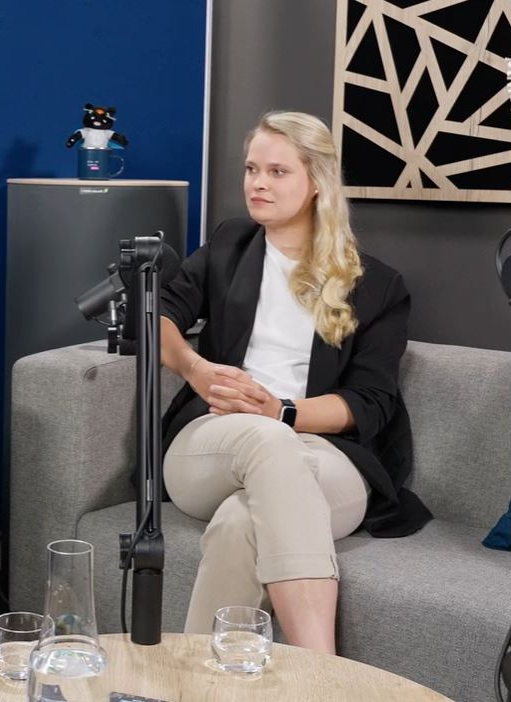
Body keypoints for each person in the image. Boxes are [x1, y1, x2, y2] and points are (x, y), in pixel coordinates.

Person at [159, 111, 431, 653]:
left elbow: (369, 403)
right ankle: (320, 670)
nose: (257, 183)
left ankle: (199, 679)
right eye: (251, 169)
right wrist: (196, 369)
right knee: (269, 442)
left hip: (325, 454)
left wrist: (281, 411)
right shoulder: (229, 247)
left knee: (242, 522)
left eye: (277, 172)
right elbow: (157, 315)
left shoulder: (377, 285)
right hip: (213, 441)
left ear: (316, 183)